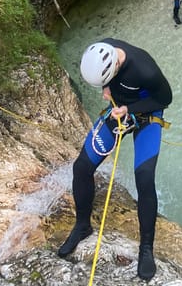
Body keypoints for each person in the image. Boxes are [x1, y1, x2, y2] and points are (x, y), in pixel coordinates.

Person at [58, 40, 172, 281]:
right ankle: (82, 226)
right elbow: (108, 79)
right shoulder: (102, 49)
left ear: (117, 65)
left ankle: (146, 249)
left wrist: (130, 110)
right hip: (119, 109)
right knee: (81, 168)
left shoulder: (145, 69)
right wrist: (108, 89)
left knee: (144, 178)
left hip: (147, 114)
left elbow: (165, 99)